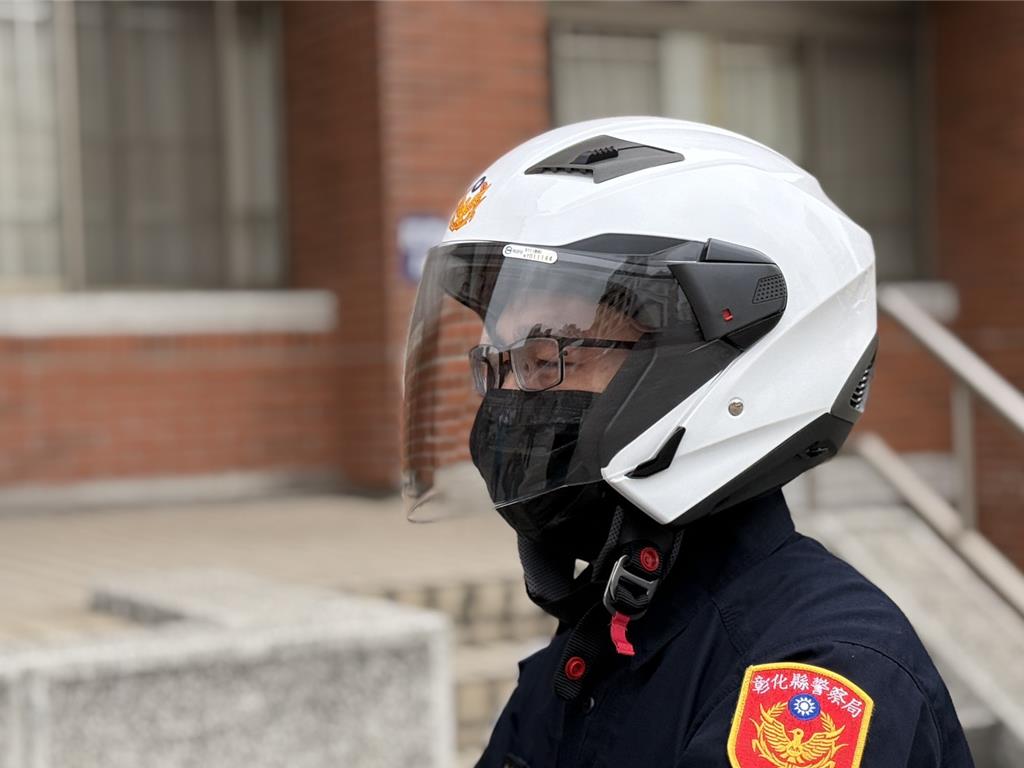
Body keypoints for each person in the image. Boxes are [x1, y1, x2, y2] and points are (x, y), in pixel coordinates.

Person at [402, 117, 974, 767]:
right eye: (498, 364)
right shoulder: (601, 643)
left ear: (720, 351)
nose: (510, 399)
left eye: (549, 356)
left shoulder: (812, 678)